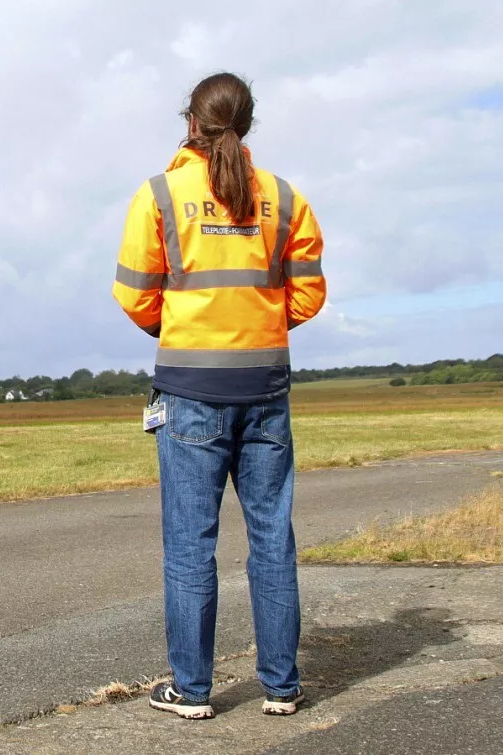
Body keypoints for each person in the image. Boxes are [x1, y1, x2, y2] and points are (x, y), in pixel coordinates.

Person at [111, 71, 326, 720]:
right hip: (265, 390)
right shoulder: (285, 199)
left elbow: (133, 292)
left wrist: (176, 328)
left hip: (190, 392)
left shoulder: (159, 194)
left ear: (191, 123)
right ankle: (282, 687)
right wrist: (255, 323)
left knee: (189, 545)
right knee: (271, 539)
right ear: (247, 124)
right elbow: (309, 295)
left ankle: (192, 689)